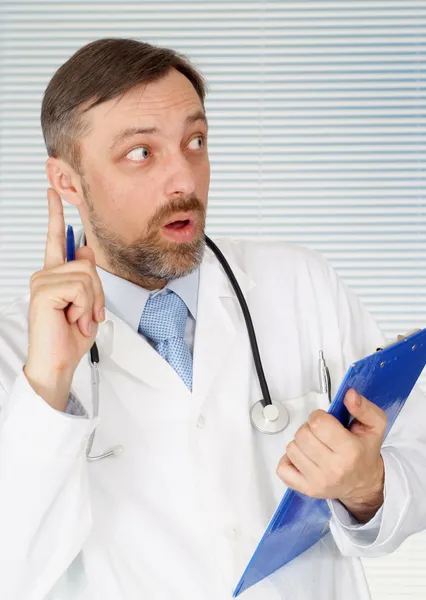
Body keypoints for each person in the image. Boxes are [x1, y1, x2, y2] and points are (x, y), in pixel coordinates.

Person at [0, 37, 425, 600]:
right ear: (67, 182)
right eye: (141, 153)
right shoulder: (16, 350)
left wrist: (367, 487)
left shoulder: (300, 283)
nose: (184, 180)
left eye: (195, 141)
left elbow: (415, 456)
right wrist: (49, 387)